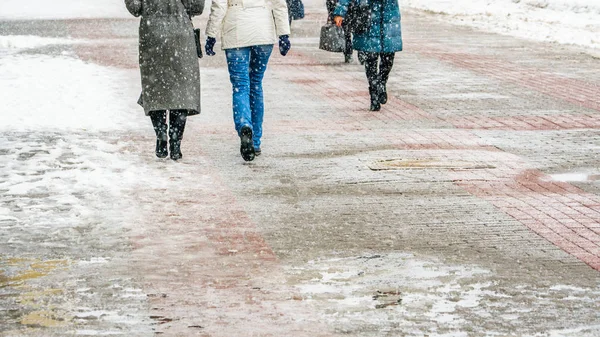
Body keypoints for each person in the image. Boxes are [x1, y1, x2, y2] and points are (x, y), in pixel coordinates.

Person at [204, 0, 291, 161]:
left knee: (240, 85)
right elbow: (279, 4)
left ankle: (244, 125)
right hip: (263, 30)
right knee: (256, 83)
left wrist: (211, 34)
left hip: (236, 30)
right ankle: (256, 140)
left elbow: (220, 5)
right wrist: (284, 34)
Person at [124, 0, 204, 161]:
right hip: (181, 34)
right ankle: (175, 143)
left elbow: (135, 8)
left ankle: (161, 133)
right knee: (181, 88)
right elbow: (196, 6)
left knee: (155, 86)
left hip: (152, 34)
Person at [334, 0, 402, 111]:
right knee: (371, 59)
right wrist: (339, 12)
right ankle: (374, 93)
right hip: (367, 17)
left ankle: (381, 82)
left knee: (388, 58)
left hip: (389, 18)